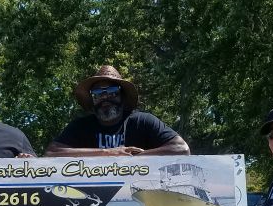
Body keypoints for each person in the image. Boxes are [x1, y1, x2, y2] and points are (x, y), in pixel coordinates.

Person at [44, 65, 190, 157]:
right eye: (98, 94)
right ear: (92, 99)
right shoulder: (81, 126)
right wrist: (109, 153)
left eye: (112, 91)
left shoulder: (142, 121)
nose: (105, 98)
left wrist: (136, 157)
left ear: (122, 96)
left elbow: (181, 149)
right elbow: (52, 153)